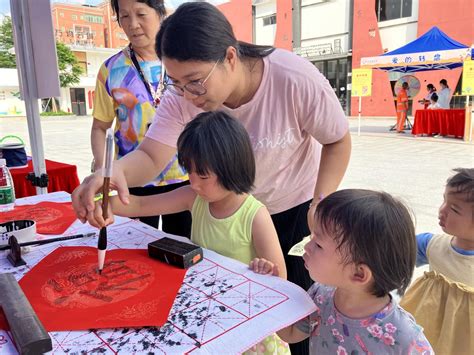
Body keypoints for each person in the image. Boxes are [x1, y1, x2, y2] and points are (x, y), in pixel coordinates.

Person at [73, 4, 351, 353]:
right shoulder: (182, 98)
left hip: (294, 212)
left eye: (195, 82)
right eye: (175, 83)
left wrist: (320, 203)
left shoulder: (293, 78)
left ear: (230, 57)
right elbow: (150, 156)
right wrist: (107, 175)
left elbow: (337, 139)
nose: (188, 95)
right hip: (224, 211)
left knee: (293, 321)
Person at [103, 111, 290, 354]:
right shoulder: (194, 198)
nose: (193, 183)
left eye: (202, 175)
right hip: (206, 312)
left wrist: (265, 270)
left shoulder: (254, 215)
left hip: (244, 323)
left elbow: (281, 280)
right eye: (188, 172)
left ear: (232, 168)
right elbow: (140, 205)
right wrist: (100, 201)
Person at [251, 189, 434, 354]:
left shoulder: (404, 337)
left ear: (359, 274)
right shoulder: (320, 296)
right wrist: (271, 288)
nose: (306, 247)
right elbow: (290, 334)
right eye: (311, 237)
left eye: (318, 244)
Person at [90, 0, 191, 236]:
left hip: (185, 176)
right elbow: (99, 127)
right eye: (124, 16)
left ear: (161, 13)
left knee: (182, 250)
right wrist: (103, 167)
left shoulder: (185, 62)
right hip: (133, 182)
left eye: (141, 14)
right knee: (136, 248)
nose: (133, 24)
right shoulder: (111, 69)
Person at [400, 168, 474, 354]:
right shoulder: (432, 244)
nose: (442, 211)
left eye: (454, 209)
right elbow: (394, 254)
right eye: (444, 201)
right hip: (425, 329)